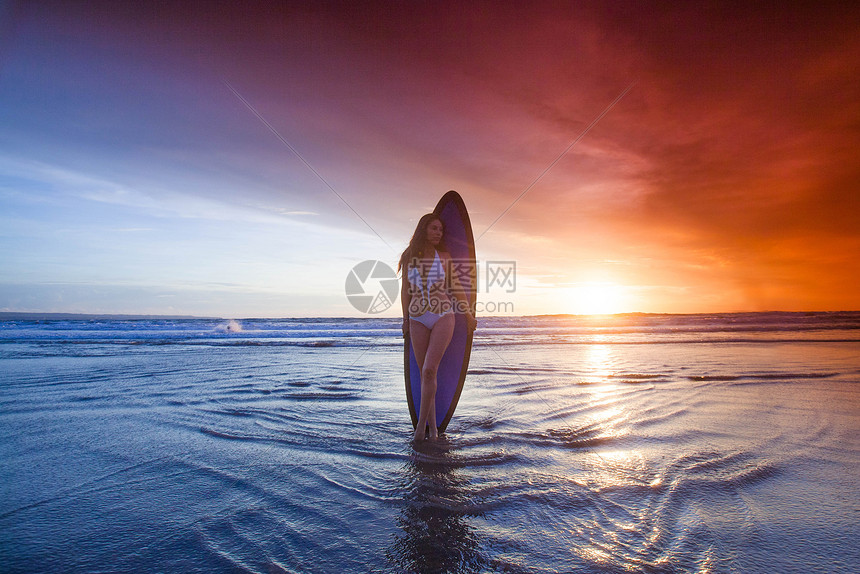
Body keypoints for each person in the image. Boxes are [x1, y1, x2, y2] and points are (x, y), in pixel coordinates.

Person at [399, 213, 477, 441]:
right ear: (423, 229)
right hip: (417, 318)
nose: (438, 233)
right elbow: (405, 291)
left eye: (441, 230)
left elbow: (456, 288)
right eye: (434, 228)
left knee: (429, 370)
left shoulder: (445, 257)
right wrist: (405, 319)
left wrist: (468, 313)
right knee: (426, 375)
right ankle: (433, 431)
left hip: (443, 314)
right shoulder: (409, 257)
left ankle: (419, 431)